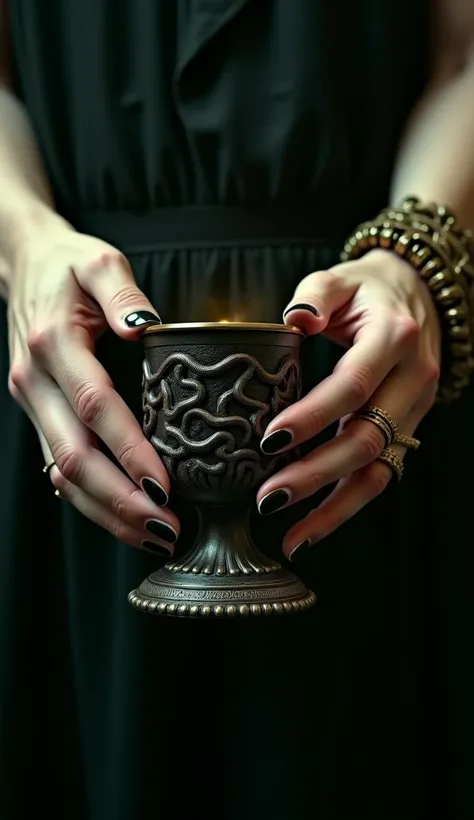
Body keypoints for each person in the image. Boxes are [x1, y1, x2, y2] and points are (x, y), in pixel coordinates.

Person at [0, 1, 473, 818]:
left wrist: (417, 254)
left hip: (365, 374)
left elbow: (463, 54)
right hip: (74, 370)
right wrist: (22, 241)